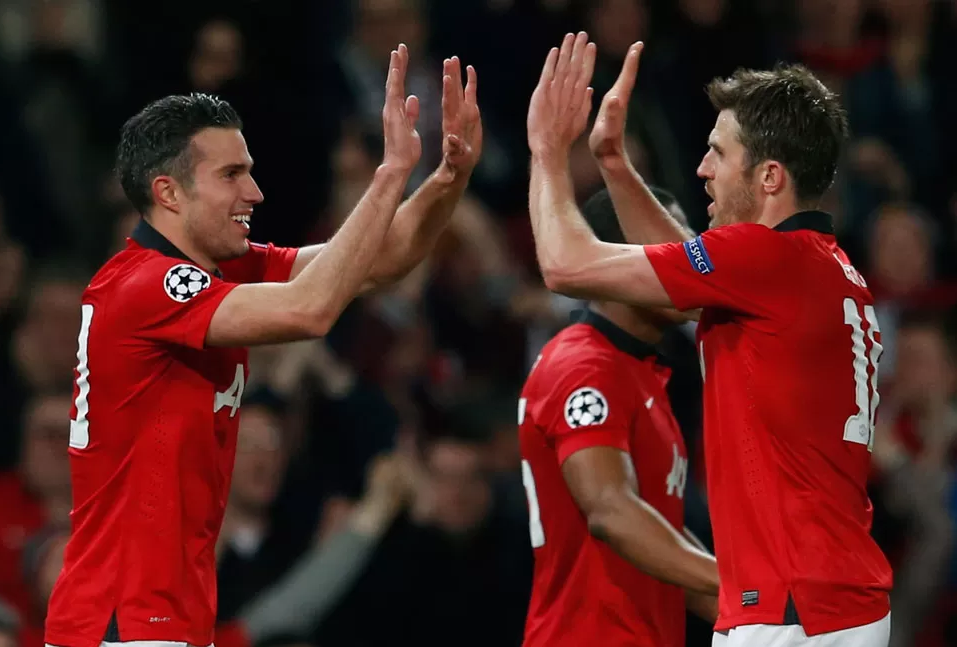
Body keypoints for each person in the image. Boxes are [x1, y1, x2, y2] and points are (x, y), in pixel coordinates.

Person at [44, 45, 482, 647]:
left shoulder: (221, 273)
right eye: (230, 175)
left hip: (160, 616)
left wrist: (447, 176)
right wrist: (385, 176)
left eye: (248, 169)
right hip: (124, 619)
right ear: (168, 193)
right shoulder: (145, 283)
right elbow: (312, 309)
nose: (255, 193)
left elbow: (381, 261)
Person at [526, 33, 892, 646]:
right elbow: (687, 276)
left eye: (718, 153)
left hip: (787, 611)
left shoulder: (765, 259)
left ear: (770, 177)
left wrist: (546, 151)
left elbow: (565, 265)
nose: (702, 169)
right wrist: (616, 166)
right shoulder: (826, 269)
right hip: (836, 599)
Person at [518, 185, 718, 647]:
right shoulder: (584, 366)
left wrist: (767, 620)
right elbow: (611, 512)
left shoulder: (641, 373)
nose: (689, 265)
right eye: (670, 247)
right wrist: (743, 590)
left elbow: (660, 542)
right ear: (618, 262)